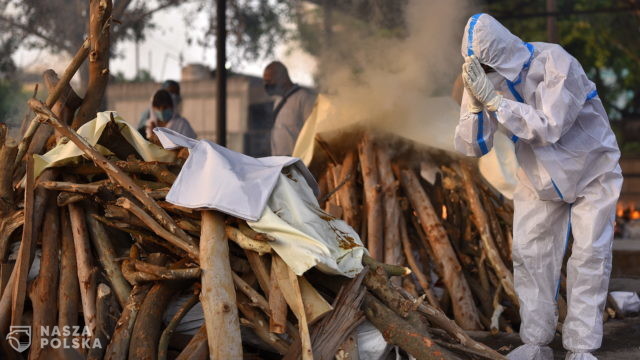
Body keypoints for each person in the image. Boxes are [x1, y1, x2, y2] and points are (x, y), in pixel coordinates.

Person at [455, 13, 622, 360]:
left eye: (488, 67)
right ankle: (535, 341)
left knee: (590, 255)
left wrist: (497, 103)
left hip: (592, 169)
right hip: (537, 177)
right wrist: (474, 103)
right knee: (530, 255)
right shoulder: (491, 82)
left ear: (500, 55)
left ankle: (582, 346)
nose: (486, 77)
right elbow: (473, 146)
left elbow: (549, 128)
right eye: (480, 71)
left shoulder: (556, 63)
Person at [263, 61, 317, 156]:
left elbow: (311, 131)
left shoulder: (304, 97)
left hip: (296, 159)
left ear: (282, 78)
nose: (267, 85)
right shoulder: (278, 100)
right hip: (278, 161)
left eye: (269, 80)